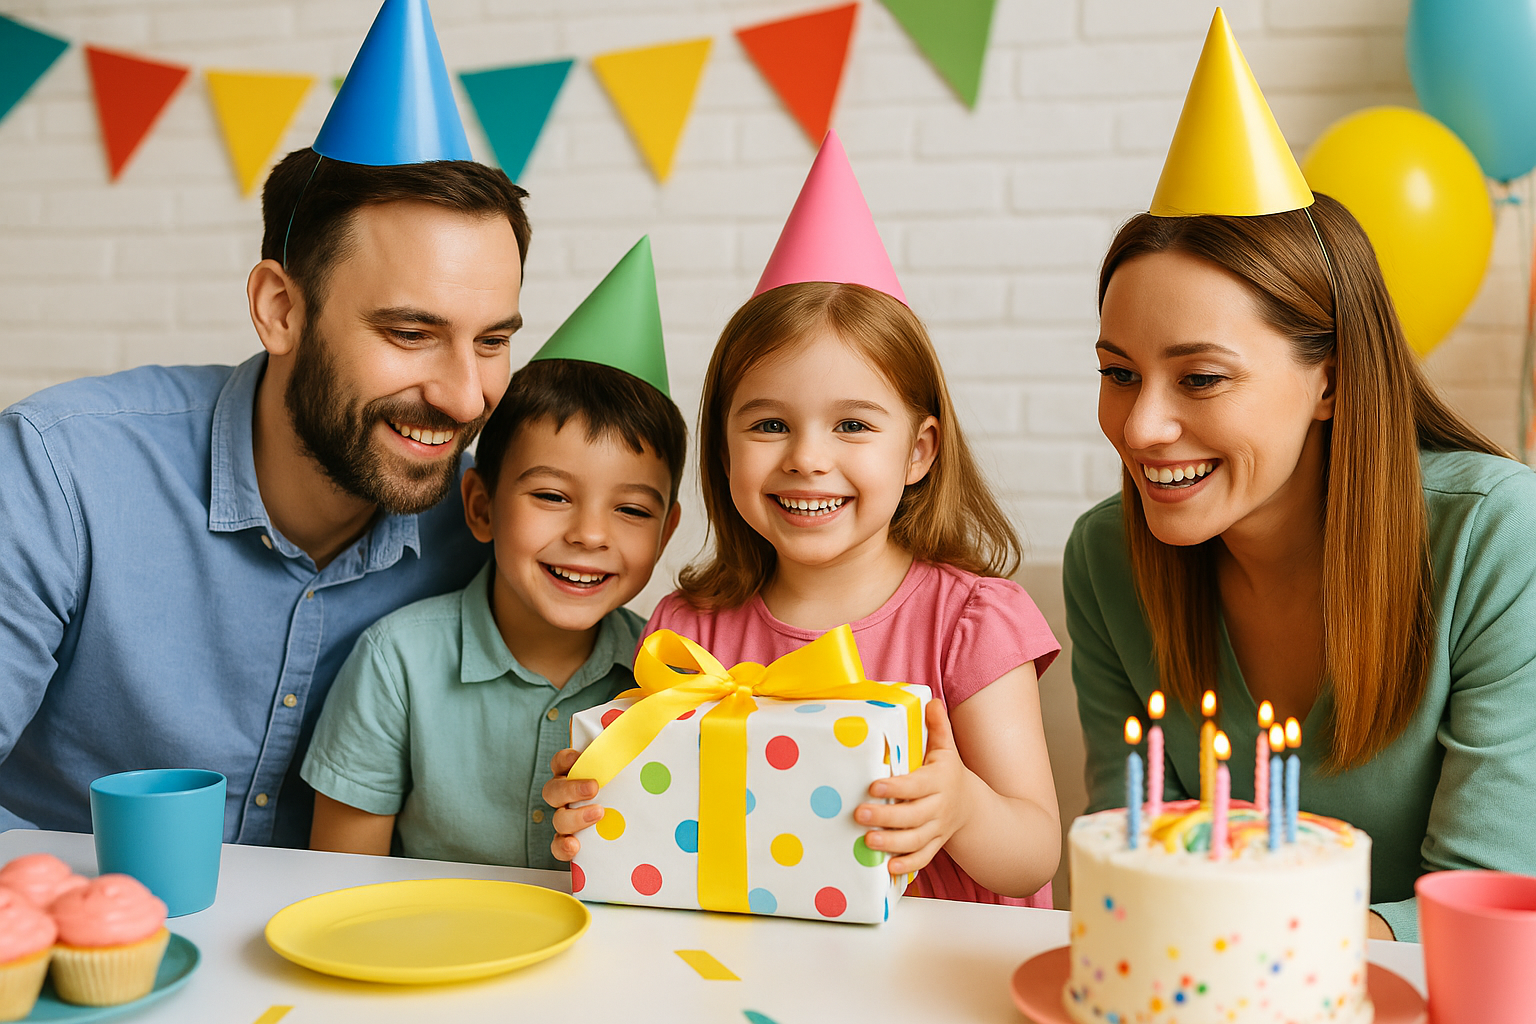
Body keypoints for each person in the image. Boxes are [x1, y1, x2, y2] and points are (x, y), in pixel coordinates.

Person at [0, 0, 530, 845]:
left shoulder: (491, 530)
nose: (466, 399)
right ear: (281, 308)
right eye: (410, 334)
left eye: (493, 341)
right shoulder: (58, 475)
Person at [1065, 11, 1536, 944]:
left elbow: (1486, 902)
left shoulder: (1494, 534)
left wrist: (1259, 955)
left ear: (1331, 380)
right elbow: (1125, 866)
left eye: (1200, 377)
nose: (1142, 426)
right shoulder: (1105, 560)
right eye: (1119, 373)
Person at [545, 134, 1062, 906]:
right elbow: (659, 829)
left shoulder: (972, 622)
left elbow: (1033, 858)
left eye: (852, 426)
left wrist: (960, 804)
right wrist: (597, 802)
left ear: (919, 451)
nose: (807, 459)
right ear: (724, 447)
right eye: (768, 425)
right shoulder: (688, 634)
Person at [301, 240, 686, 868]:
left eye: (632, 510)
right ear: (480, 507)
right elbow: (340, 881)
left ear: (665, 534)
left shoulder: (668, 681)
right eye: (553, 496)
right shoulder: (397, 662)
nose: (591, 534)